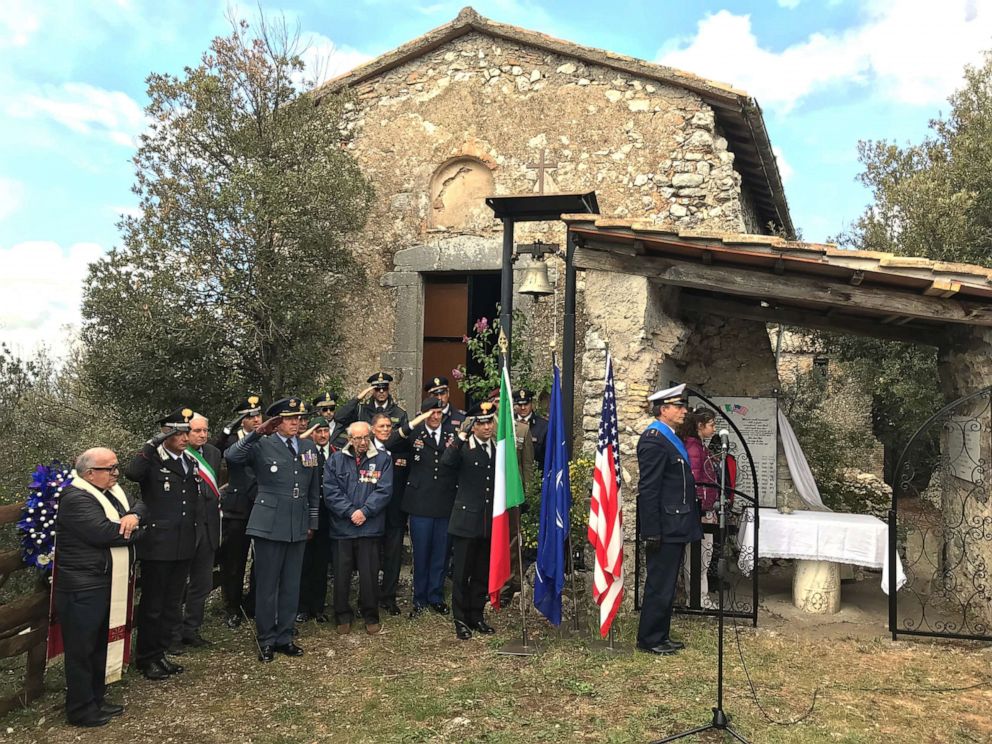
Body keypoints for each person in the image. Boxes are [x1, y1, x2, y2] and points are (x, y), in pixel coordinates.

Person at [54, 448, 145, 727]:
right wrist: (135, 528)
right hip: (82, 585)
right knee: (81, 649)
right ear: (90, 473)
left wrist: (133, 517)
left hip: (103, 580)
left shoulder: (110, 492)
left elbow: (140, 504)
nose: (116, 473)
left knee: (98, 644)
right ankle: (80, 708)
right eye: (110, 469)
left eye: (117, 467)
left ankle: (96, 698)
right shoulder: (75, 497)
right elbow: (104, 533)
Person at [224, 397, 320, 662]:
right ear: (276, 422)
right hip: (269, 523)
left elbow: (313, 488)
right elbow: (231, 456)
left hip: (297, 523)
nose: (296, 423)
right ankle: (266, 638)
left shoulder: (309, 446)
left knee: (292, 583)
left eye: (299, 419)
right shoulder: (261, 445)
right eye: (290, 419)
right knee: (267, 585)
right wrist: (256, 433)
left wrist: (312, 521)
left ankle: (285, 636)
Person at [124, 407, 199, 680]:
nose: (184, 436)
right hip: (158, 544)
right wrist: (152, 442)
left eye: (186, 431)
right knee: (153, 605)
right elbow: (132, 473)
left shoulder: (188, 461)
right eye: (178, 432)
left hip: (182, 543)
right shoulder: (153, 461)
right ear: (166, 433)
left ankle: (161, 652)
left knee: (171, 603)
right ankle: (146, 657)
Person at [636, 384, 702, 656]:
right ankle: (650, 638)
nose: (684, 411)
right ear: (664, 410)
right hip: (664, 525)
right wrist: (652, 531)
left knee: (667, 583)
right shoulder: (654, 439)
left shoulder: (669, 437)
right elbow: (649, 489)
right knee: (659, 583)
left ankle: (660, 633)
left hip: (676, 523)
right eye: (679, 406)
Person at [324, 421, 393, 635]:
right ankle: (342, 615)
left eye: (366, 438)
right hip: (342, 527)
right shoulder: (335, 460)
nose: (362, 442)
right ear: (349, 439)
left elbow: (384, 490)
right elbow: (330, 490)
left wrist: (365, 511)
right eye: (357, 438)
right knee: (341, 574)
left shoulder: (383, 459)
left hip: (369, 527)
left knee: (369, 575)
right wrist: (350, 512)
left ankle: (370, 615)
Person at [393, 398, 457, 617]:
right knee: (421, 554)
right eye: (431, 413)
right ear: (423, 414)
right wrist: (412, 423)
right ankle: (419, 598)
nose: (435, 417)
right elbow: (391, 443)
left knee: (441, 552)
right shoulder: (414, 434)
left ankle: (435, 595)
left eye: (439, 412)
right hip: (420, 502)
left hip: (444, 501)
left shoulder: (452, 433)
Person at [442, 402, 498, 640]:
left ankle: (477, 615)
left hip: (487, 520)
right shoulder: (463, 447)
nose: (486, 427)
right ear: (473, 426)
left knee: (481, 572)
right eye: (481, 423)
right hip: (466, 520)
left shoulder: (497, 448)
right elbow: (447, 462)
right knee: (462, 572)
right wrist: (461, 435)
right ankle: (460, 619)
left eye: (489, 422)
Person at [173, 413, 223, 649]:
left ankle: (191, 629)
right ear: (185, 432)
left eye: (205, 430)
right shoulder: (177, 454)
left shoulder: (213, 453)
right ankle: (172, 634)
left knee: (202, 583)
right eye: (197, 431)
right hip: (184, 528)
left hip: (208, 526)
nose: (203, 435)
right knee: (177, 584)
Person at [214, 395, 262, 629]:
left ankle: (252, 603)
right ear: (242, 420)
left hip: (261, 505)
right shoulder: (232, 439)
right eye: (250, 416)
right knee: (234, 560)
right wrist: (227, 429)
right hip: (237, 507)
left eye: (258, 415)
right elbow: (214, 451)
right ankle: (232, 607)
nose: (256, 419)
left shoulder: (266, 438)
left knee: (261, 559)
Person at [677, 407, 718, 610]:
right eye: (711, 424)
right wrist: (703, 507)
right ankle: (697, 598)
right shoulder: (693, 449)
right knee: (698, 557)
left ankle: (700, 596)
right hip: (699, 509)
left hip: (704, 507)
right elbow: (693, 481)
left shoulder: (699, 446)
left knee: (704, 555)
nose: (714, 429)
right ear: (700, 426)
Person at [369, 412, 407, 616]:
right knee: (371, 557)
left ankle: (388, 597)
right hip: (373, 512)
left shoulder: (401, 448)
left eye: (388, 427)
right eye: (381, 426)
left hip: (395, 512)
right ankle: (369, 597)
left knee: (393, 556)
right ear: (372, 429)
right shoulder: (366, 449)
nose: (385, 430)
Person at [297, 416, 334, 623]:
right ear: (312, 433)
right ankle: (301, 607)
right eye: (318, 431)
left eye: (325, 431)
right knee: (304, 562)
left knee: (321, 564)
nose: (322, 435)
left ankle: (318, 607)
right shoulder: (307, 452)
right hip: (309, 513)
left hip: (328, 516)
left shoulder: (336, 452)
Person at [335, 371, 409, 429]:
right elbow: (339, 417)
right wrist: (357, 399)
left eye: (384, 388)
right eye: (378, 389)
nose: (381, 391)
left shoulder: (399, 413)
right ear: (372, 390)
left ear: (388, 389)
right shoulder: (361, 410)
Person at [512, 389, 548, 471]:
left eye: (526, 404)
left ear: (532, 404)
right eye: (520, 405)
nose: (523, 408)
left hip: (536, 475)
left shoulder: (544, 426)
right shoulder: (509, 424)